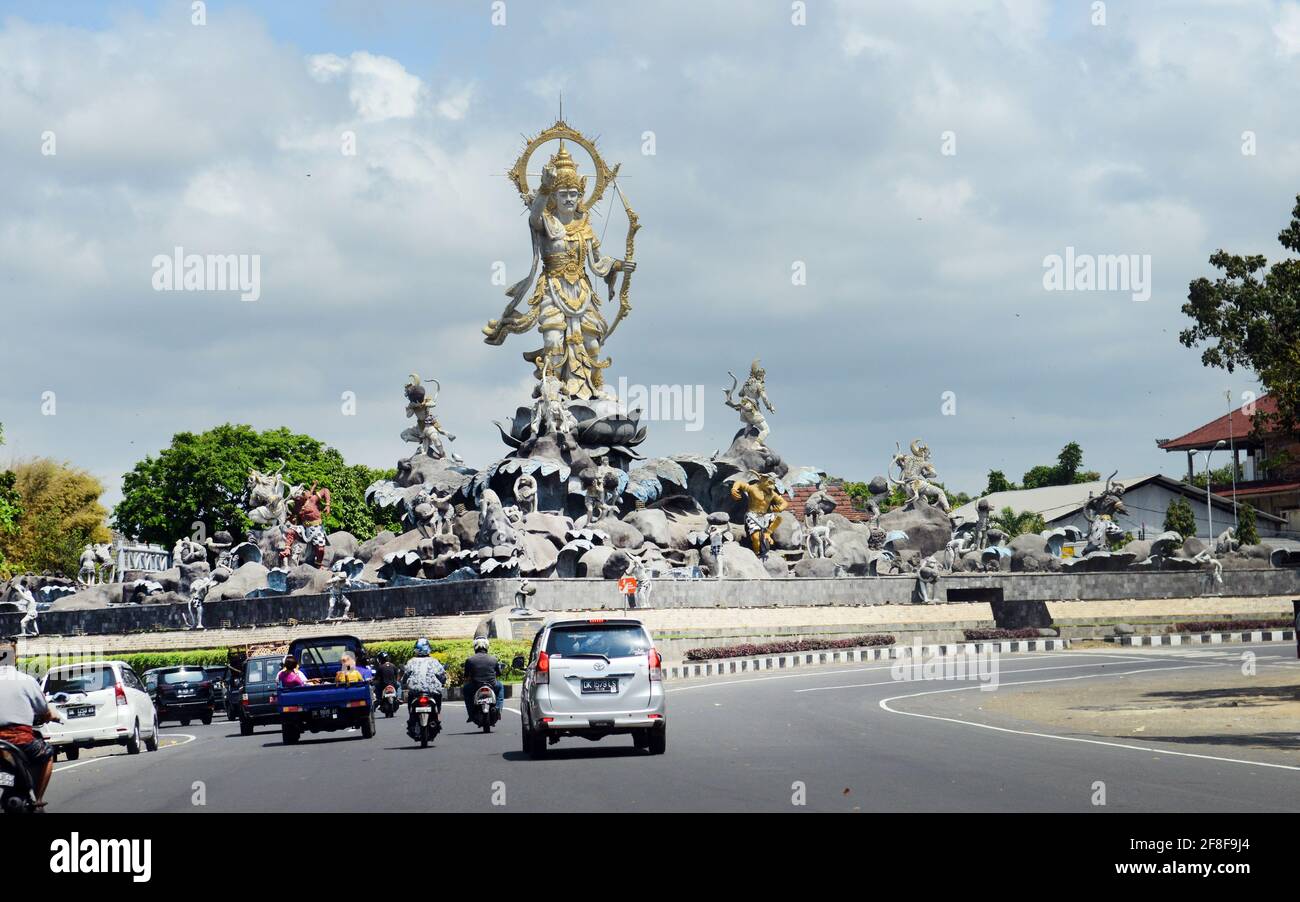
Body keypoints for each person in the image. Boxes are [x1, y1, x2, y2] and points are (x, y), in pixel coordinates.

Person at [0, 636, 63, 809]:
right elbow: (44, 711)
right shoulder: (26, 681)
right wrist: (52, 716)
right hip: (21, 740)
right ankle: (38, 799)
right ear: (14, 657)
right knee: (47, 754)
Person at [403, 638, 446, 737]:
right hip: (432, 692)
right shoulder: (434, 662)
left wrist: (404, 683)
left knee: (411, 706)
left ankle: (412, 719)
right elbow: (442, 676)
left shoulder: (411, 662)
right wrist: (443, 681)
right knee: (438, 700)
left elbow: (405, 677)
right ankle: (437, 717)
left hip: (415, 692)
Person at [462, 636, 504, 721]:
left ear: (475, 647)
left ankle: (471, 714)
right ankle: (498, 708)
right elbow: (499, 673)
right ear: (487, 646)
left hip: (475, 686)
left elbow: (466, 675)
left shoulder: (470, 660)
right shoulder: (493, 659)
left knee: (465, 689)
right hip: (492, 685)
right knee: (500, 687)